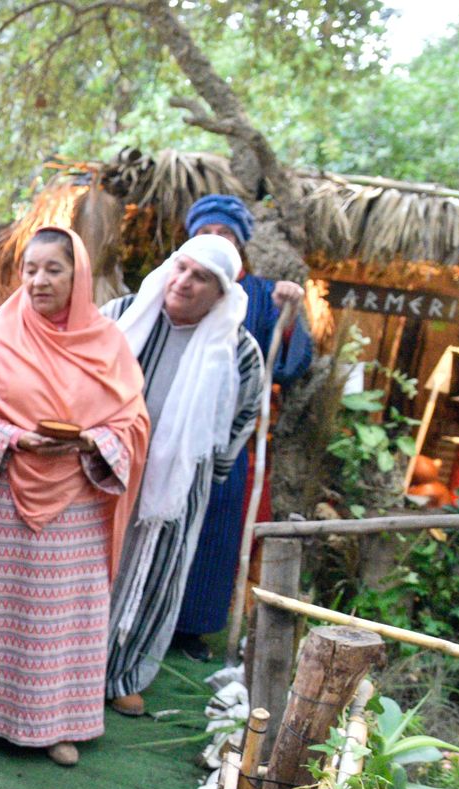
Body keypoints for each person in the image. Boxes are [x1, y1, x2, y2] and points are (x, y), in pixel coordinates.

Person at [0, 227, 149, 766]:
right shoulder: (0, 334)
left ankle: (57, 726)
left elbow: (133, 421)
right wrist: (12, 438)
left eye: (53, 269)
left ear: (78, 276)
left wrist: (90, 442)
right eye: (30, 269)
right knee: (5, 608)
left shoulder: (108, 342)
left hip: (79, 498)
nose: (38, 281)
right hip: (8, 495)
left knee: (60, 619)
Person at [102, 234, 266, 716]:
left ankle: (124, 674)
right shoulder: (121, 316)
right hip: (105, 467)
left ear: (221, 293)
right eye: (181, 269)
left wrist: (207, 476)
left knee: (157, 573)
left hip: (178, 481)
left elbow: (243, 417)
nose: (184, 283)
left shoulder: (238, 350)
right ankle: (67, 671)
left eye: (201, 278)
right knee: (95, 568)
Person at [171, 195, 313, 661]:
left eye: (227, 236)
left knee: (216, 529)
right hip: (168, 429)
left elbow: (290, 365)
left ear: (241, 246)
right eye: (207, 234)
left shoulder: (263, 294)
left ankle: (193, 628)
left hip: (225, 440)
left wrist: (287, 316)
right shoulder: (172, 285)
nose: (216, 243)